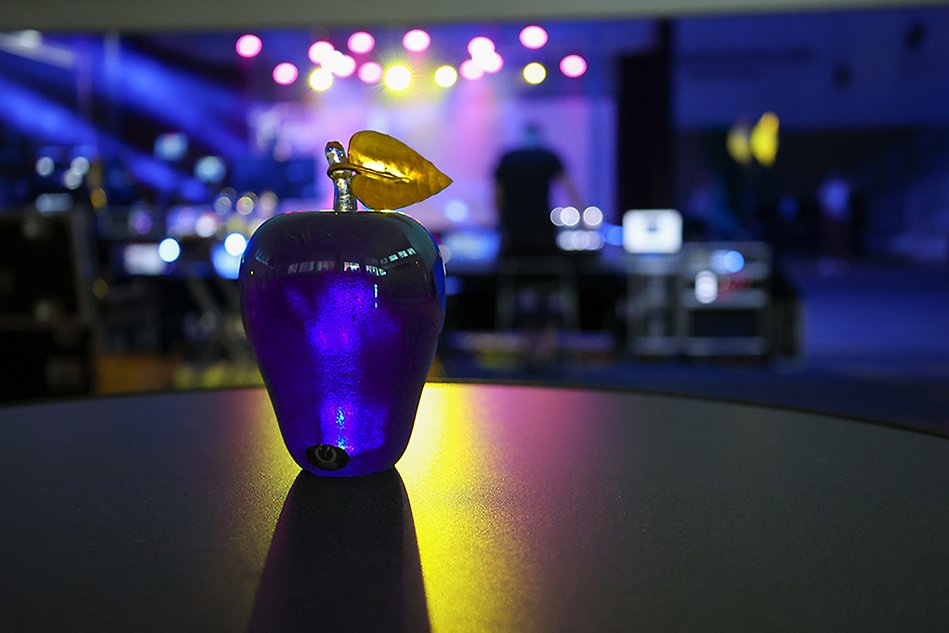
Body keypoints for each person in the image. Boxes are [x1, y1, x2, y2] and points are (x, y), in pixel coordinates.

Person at [493, 123, 580, 257]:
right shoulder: (548, 156)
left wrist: (501, 221)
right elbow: (568, 187)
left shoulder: (508, 158)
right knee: (545, 269)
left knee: (509, 271)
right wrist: (582, 215)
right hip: (541, 227)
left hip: (513, 227)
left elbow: (498, 195)